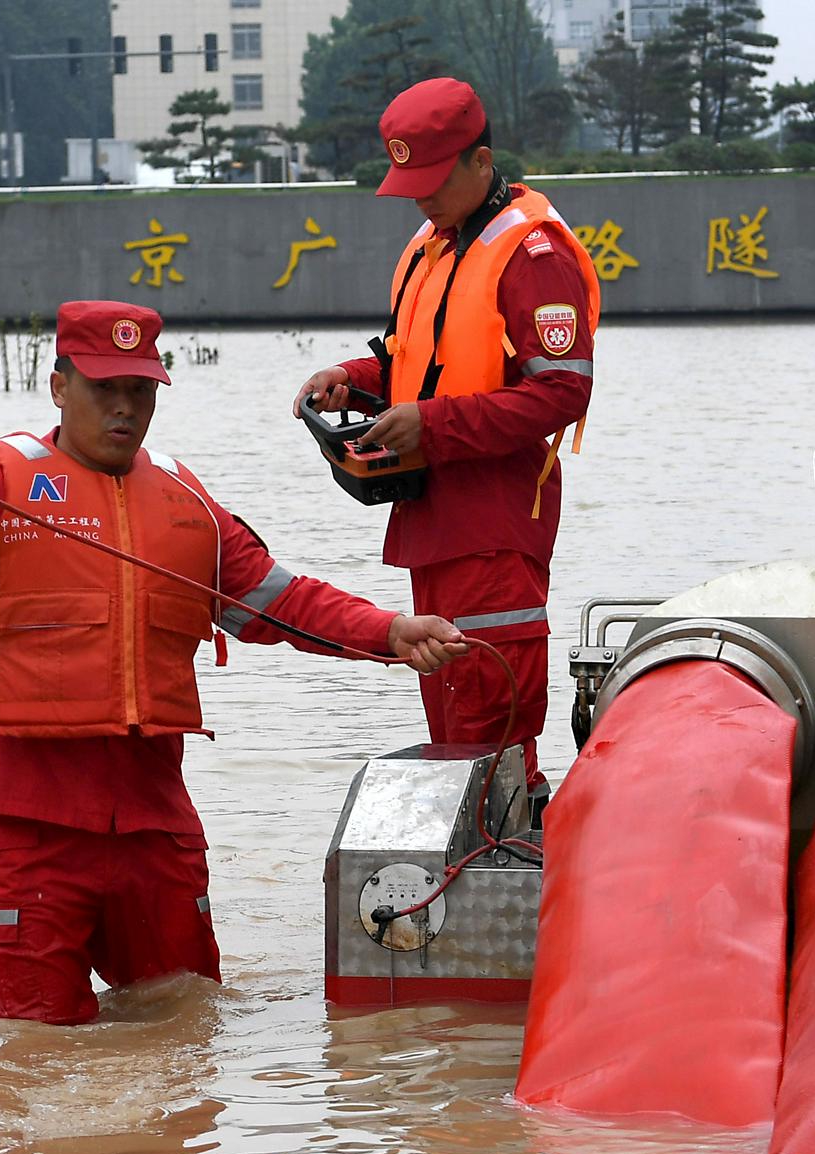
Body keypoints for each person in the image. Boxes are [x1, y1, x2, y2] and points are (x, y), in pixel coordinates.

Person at [0, 300, 467, 1025]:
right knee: (33, 1053)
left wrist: (390, 630)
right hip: (30, 830)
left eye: (140, 390)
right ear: (58, 387)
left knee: (187, 1029)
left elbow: (283, 599)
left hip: (153, 830)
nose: (125, 408)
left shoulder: (187, 502)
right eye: (105, 388)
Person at [292, 78, 599, 820]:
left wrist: (432, 425)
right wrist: (355, 381)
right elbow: (414, 364)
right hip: (436, 524)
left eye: (432, 182)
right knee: (459, 720)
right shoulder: (435, 245)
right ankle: (495, 859)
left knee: (492, 725)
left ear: (481, 161)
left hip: (494, 526)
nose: (419, 199)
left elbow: (563, 392)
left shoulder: (532, 252)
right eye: (410, 184)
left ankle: (515, 854)